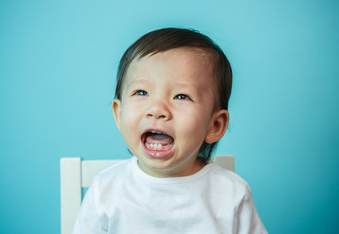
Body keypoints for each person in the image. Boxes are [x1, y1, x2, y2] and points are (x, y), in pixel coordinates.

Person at [72, 27, 267, 234]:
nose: (157, 109)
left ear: (215, 126)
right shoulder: (105, 190)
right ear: (119, 114)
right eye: (141, 92)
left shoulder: (232, 194)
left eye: (181, 96)